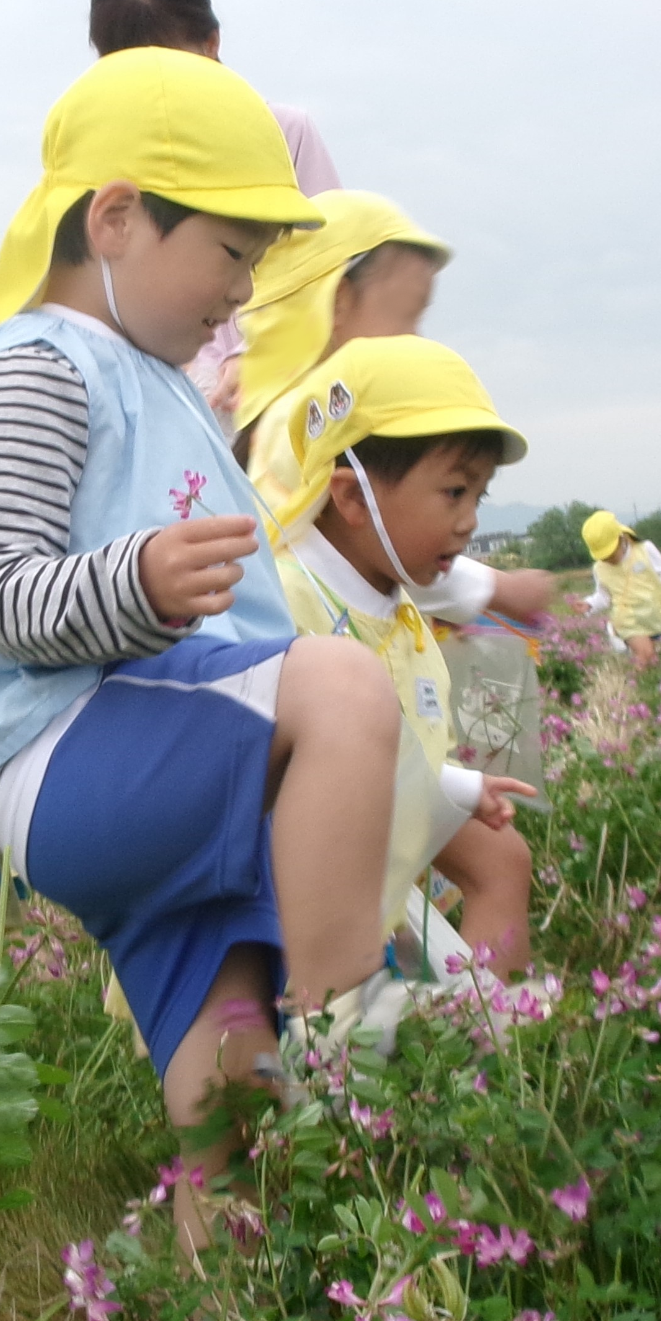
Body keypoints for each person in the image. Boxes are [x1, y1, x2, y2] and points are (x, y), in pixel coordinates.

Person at [0, 48, 409, 1251]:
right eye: (229, 255)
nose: (238, 295)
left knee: (224, 1080)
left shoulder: (154, 373)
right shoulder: (38, 364)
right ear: (117, 217)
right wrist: (131, 582)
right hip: (76, 742)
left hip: (142, 758)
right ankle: (355, 1016)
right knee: (342, 685)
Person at [270, 335, 537, 980]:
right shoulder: (283, 601)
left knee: (505, 855)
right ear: (353, 497)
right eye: (453, 492)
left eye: (480, 497)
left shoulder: (406, 620)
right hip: (283, 895)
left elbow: (395, 761)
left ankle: (489, 1042)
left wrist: (462, 785)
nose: (470, 521)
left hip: (372, 864)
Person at [238, 190, 556, 627]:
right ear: (338, 303)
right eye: (407, 316)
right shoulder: (305, 417)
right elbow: (373, 533)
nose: (417, 339)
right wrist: (495, 589)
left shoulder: (275, 412)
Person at [87, 0, 341, 424]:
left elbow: (331, 277)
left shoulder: (286, 136)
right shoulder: (104, 178)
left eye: (170, 67)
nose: (156, 92)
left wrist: (255, 354)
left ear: (211, 44)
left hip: (279, 409)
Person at [581, 510, 661, 669]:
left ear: (621, 538)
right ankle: (636, 688)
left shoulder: (644, 550)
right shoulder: (599, 569)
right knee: (646, 656)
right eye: (603, 557)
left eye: (610, 554)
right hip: (629, 622)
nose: (608, 560)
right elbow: (603, 596)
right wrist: (589, 604)